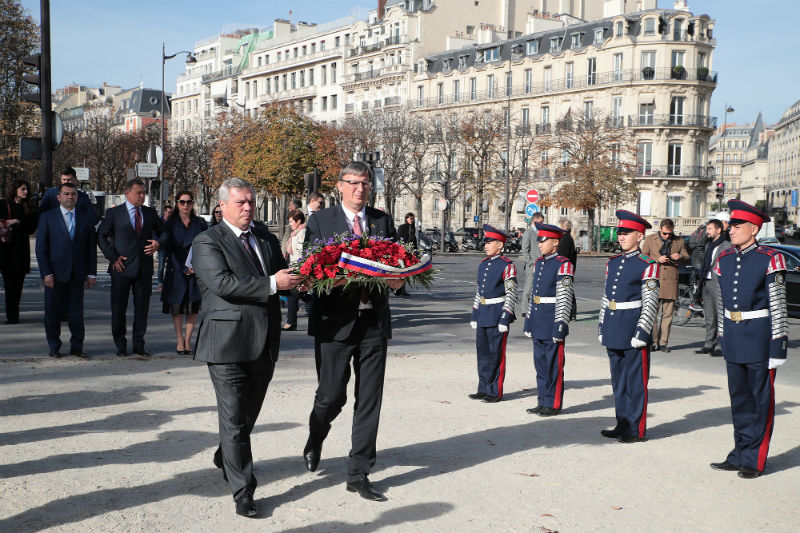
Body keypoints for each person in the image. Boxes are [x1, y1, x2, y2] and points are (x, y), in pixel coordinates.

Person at [192, 178, 300, 517]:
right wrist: (273, 283)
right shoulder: (207, 241)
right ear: (221, 205)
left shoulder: (266, 238)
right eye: (240, 202)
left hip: (264, 341)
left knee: (247, 414)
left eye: (251, 201)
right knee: (235, 417)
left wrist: (303, 280)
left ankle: (226, 454)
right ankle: (243, 491)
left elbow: (283, 278)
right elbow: (223, 284)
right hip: (226, 342)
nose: (248, 207)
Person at [301, 161, 404, 502]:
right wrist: (344, 276)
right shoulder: (320, 221)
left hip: (373, 320)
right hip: (335, 323)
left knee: (370, 398)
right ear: (340, 186)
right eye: (353, 183)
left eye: (364, 183)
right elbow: (312, 272)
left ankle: (359, 472)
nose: (360, 189)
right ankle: (317, 435)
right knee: (332, 396)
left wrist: (399, 278)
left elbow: (396, 263)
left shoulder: (381, 220)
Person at [709, 200, 788, 479]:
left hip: (759, 338)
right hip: (733, 336)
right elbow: (721, 301)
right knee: (739, 401)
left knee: (759, 402)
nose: (731, 230)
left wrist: (778, 343)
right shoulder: (725, 258)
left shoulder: (770, 258)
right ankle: (739, 454)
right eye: (730, 225)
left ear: (754, 228)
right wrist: (721, 333)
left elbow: (778, 304)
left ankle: (754, 460)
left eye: (737, 226)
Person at [598, 210, 660, 443]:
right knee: (619, 381)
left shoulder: (648, 264)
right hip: (614, 326)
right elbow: (606, 297)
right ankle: (622, 422)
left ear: (639, 235)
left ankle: (635, 428)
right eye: (620, 232)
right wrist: (602, 326)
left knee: (635, 383)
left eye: (627, 233)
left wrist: (643, 331)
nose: (621, 236)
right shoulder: (613, 263)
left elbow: (650, 301)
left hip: (633, 328)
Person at [97, 178, 165, 357]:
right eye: (139, 193)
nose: (142, 196)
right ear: (128, 193)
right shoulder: (114, 213)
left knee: (142, 310)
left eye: (144, 193)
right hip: (121, 268)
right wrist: (112, 257)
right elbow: (101, 236)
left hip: (143, 269)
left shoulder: (149, 213)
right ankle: (120, 344)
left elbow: (165, 232)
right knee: (119, 309)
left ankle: (139, 344)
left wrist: (158, 243)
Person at [34, 182, 97, 358]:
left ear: (77, 197)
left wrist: (91, 273)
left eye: (73, 194)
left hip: (77, 273)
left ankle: (77, 347)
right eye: (67, 194)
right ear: (59, 197)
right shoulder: (48, 217)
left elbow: (91, 248)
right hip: (54, 274)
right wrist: (46, 273)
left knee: (76, 314)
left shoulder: (85, 218)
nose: (70, 197)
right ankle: (54, 346)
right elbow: (41, 249)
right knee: (52, 313)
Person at [522, 222, 574, 416]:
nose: (540, 244)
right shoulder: (540, 263)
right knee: (541, 365)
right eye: (539, 240)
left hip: (552, 319)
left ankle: (553, 403)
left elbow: (564, 296)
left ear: (554, 242)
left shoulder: (563, 264)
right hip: (538, 319)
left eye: (543, 241)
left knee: (553, 365)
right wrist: (529, 319)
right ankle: (542, 400)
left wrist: (560, 323)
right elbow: (534, 294)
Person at [469, 224, 518, 404]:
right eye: (486, 242)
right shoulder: (483, 265)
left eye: (490, 242)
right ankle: (483, 387)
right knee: (482, 353)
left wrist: (505, 316)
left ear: (500, 244)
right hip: (483, 312)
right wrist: (474, 313)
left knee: (495, 354)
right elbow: (478, 292)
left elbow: (511, 293)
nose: (486, 245)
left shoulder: (507, 265)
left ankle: (494, 390)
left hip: (497, 313)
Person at [161, 192, 207, 355]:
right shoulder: (171, 223)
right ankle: (180, 340)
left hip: (195, 269)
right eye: (182, 202)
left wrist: (196, 265)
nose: (186, 205)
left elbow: (205, 244)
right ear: (177, 203)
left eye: (189, 202)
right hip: (176, 269)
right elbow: (165, 244)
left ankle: (188, 340)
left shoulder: (199, 222)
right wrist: (182, 266)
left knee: (193, 307)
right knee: (177, 307)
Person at [640, 218, 688, 352]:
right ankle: (653, 342)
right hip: (654, 280)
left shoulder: (679, 241)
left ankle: (663, 343)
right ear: (660, 229)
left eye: (670, 234)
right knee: (652, 314)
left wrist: (680, 256)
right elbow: (642, 257)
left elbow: (687, 256)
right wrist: (657, 259)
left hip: (671, 281)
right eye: (665, 233)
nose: (667, 236)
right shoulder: (650, 239)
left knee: (668, 315)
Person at [0, 179, 38, 324]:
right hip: (6, 249)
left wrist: (18, 221)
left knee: (18, 284)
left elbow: (31, 227)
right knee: (9, 284)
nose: (26, 192)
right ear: (15, 189)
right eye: (23, 189)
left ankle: (13, 313)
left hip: (21, 250)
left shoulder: (29, 207)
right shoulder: (3, 204)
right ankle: (12, 316)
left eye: (27, 189)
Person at [695, 218, 733, 356]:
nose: (707, 232)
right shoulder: (708, 245)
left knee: (720, 315)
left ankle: (721, 345)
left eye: (710, 229)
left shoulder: (727, 246)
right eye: (707, 229)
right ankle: (708, 344)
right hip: (706, 282)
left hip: (719, 283)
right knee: (709, 315)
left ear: (718, 230)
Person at [282, 209, 306, 331]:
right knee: (297, 295)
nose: (290, 224)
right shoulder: (296, 233)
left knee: (295, 294)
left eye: (291, 221)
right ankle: (291, 321)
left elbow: (300, 253)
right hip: (294, 266)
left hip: (298, 268)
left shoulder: (302, 233)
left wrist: (297, 269)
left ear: (299, 221)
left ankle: (291, 322)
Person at [518, 212, 544, 316]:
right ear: (535, 220)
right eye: (541, 221)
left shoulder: (540, 231)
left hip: (541, 262)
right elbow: (525, 249)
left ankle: (535, 306)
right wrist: (530, 262)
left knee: (539, 286)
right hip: (532, 264)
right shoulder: (528, 232)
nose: (542, 223)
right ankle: (524, 309)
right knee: (528, 286)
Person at [157, 205, 173, 290]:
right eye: (169, 212)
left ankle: (169, 283)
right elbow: (155, 233)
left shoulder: (172, 221)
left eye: (171, 213)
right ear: (164, 212)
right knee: (161, 266)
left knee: (171, 266)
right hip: (162, 247)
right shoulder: (159, 221)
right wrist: (158, 243)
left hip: (170, 247)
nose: (170, 214)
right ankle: (160, 283)